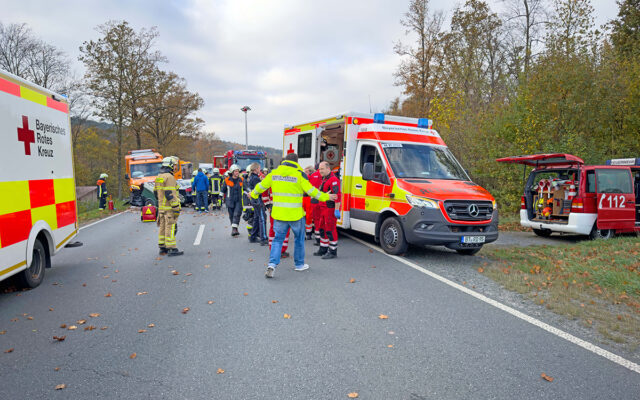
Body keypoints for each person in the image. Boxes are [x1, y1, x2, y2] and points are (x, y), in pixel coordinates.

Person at [250, 153, 338, 278]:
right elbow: (312, 191)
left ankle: (272, 265)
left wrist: (253, 194)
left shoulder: (274, 173)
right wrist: (326, 196)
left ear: (285, 161)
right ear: (296, 162)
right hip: (296, 215)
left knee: (277, 240)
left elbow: (260, 187)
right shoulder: (299, 175)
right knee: (299, 240)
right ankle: (299, 265)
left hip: (279, 215)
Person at [154, 156, 183, 256]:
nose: (175, 167)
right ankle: (172, 248)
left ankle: (162, 247)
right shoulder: (170, 177)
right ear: (170, 165)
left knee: (162, 227)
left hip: (161, 208)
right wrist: (175, 207)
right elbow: (170, 194)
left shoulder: (159, 177)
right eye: (174, 165)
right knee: (170, 227)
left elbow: (155, 193)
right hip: (169, 208)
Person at [314, 161, 341, 259]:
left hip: (330, 209)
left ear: (328, 168)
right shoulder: (325, 179)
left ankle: (333, 251)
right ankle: (323, 248)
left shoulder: (333, 180)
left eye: (322, 169)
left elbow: (337, 196)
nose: (320, 171)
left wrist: (336, 210)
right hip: (323, 209)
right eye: (319, 169)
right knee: (322, 229)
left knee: (330, 229)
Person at [246, 162, 268, 245]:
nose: (260, 170)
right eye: (259, 168)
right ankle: (263, 238)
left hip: (254, 200)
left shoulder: (251, 177)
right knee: (262, 219)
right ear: (255, 169)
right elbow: (259, 190)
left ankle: (253, 236)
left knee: (256, 218)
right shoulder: (256, 179)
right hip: (258, 200)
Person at [225, 164, 244, 236]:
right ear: (232, 172)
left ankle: (234, 229)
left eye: (237, 171)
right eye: (235, 171)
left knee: (237, 214)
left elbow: (245, 188)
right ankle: (235, 228)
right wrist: (219, 196)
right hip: (230, 200)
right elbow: (223, 189)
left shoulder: (241, 179)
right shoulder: (227, 180)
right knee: (231, 216)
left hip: (238, 200)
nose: (237, 173)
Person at [308, 165, 322, 245]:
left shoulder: (312, 176)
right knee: (322, 219)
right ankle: (323, 237)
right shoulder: (324, 175)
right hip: (322, 199)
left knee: (316, 219)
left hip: (313, 199)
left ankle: (317, 239)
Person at [303, 166, 316, 239]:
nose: (305, 173)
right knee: (306, 217)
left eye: (306, 172)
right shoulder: (310, 177)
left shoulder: (311, 178)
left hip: (307, 198)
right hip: (305, 198)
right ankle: (307, 233)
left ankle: (308, 233)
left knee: (308, 217)